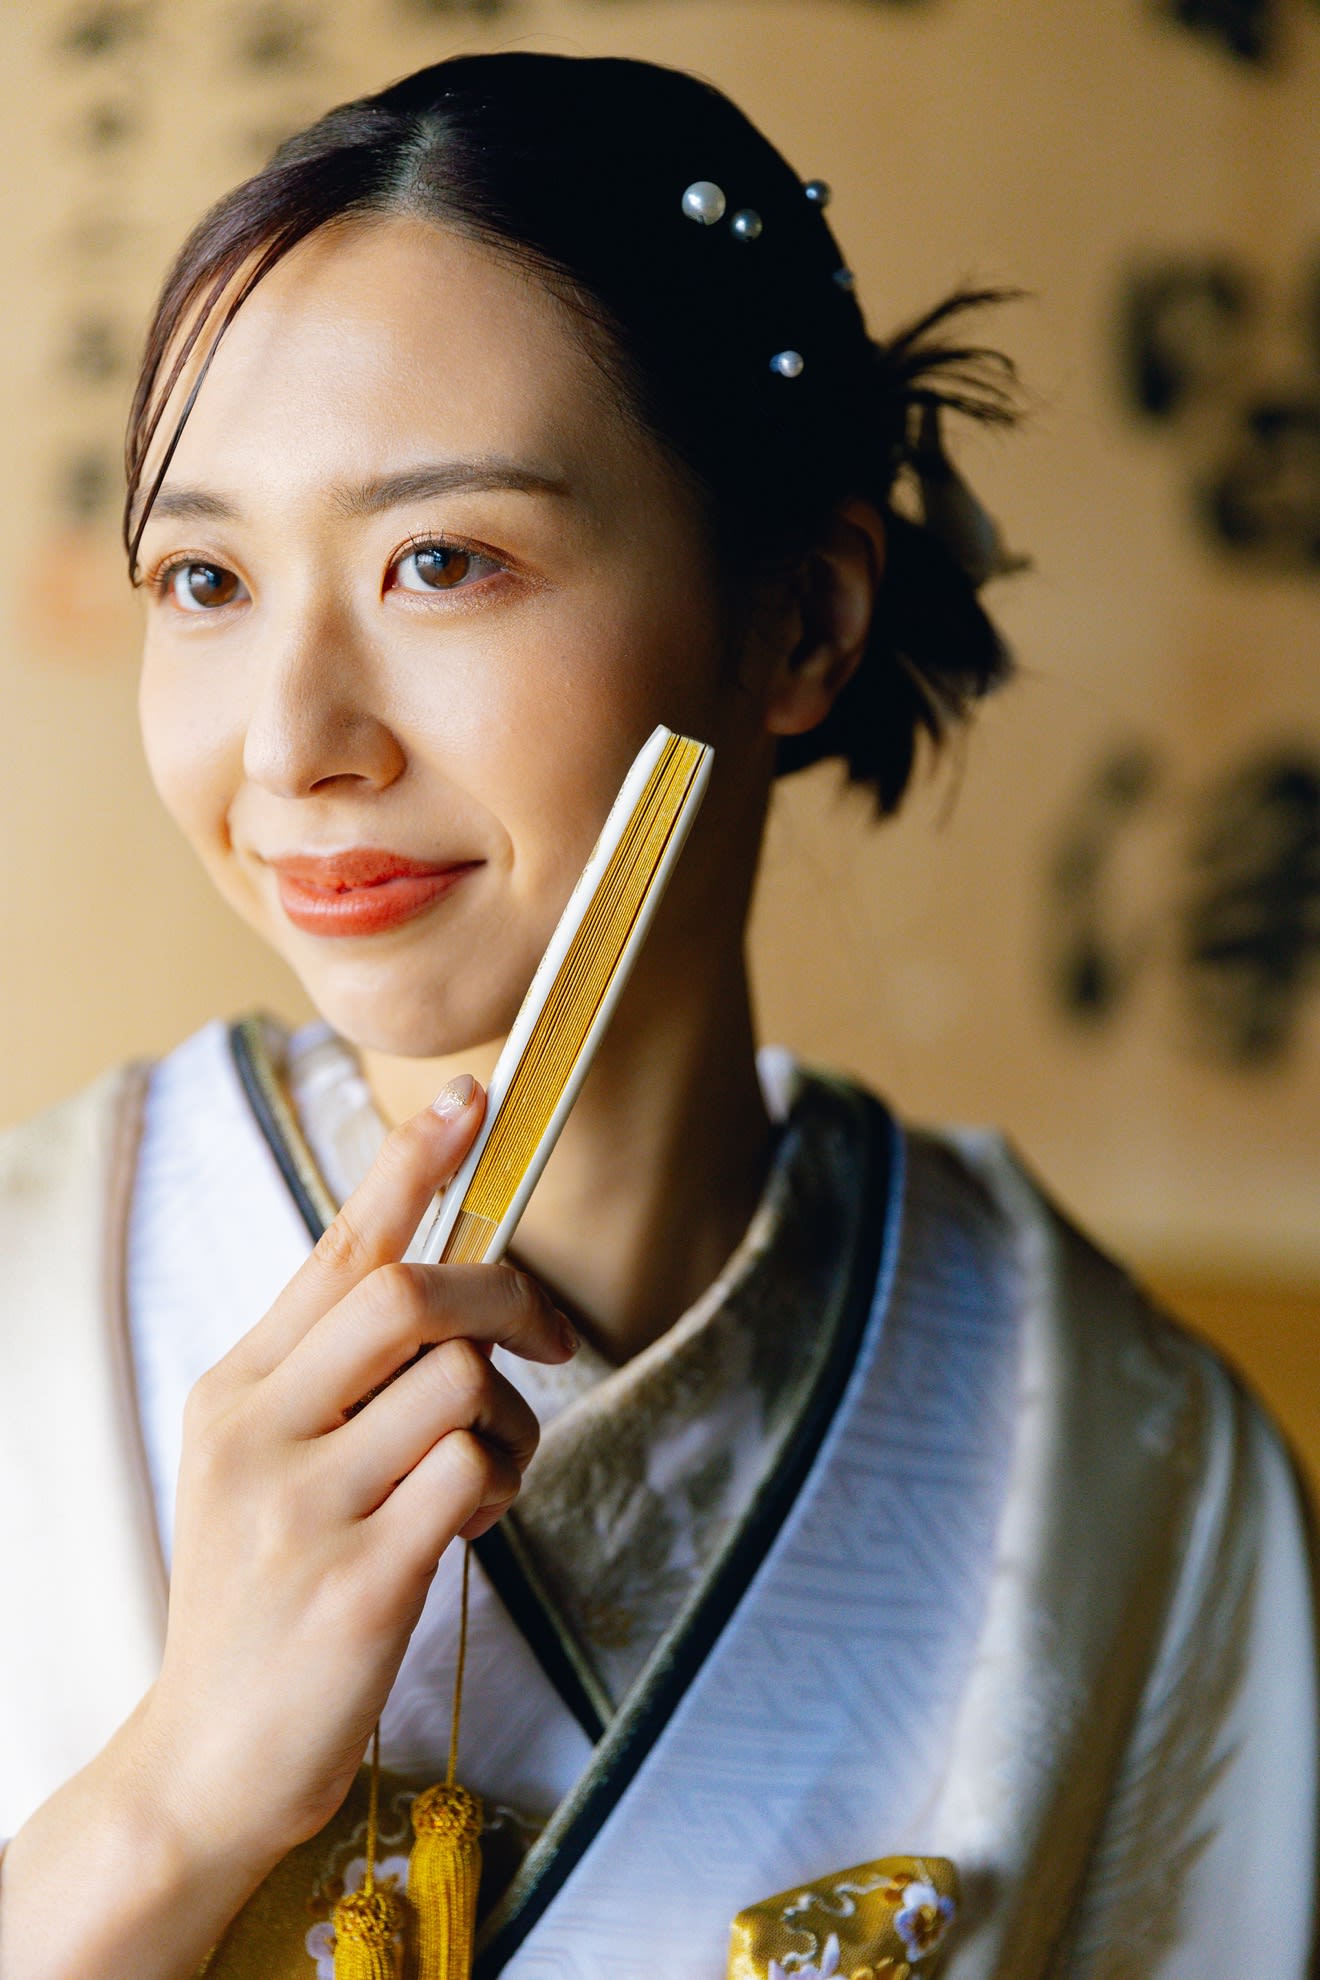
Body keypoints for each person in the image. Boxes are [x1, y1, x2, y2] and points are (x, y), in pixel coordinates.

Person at [0, 50, 1314, 1980]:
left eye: (443, 562)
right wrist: (175, 1805)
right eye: (205, 578)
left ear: (804, 621)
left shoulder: (1115, 1460)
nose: (291, 742)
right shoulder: (32, 1294)